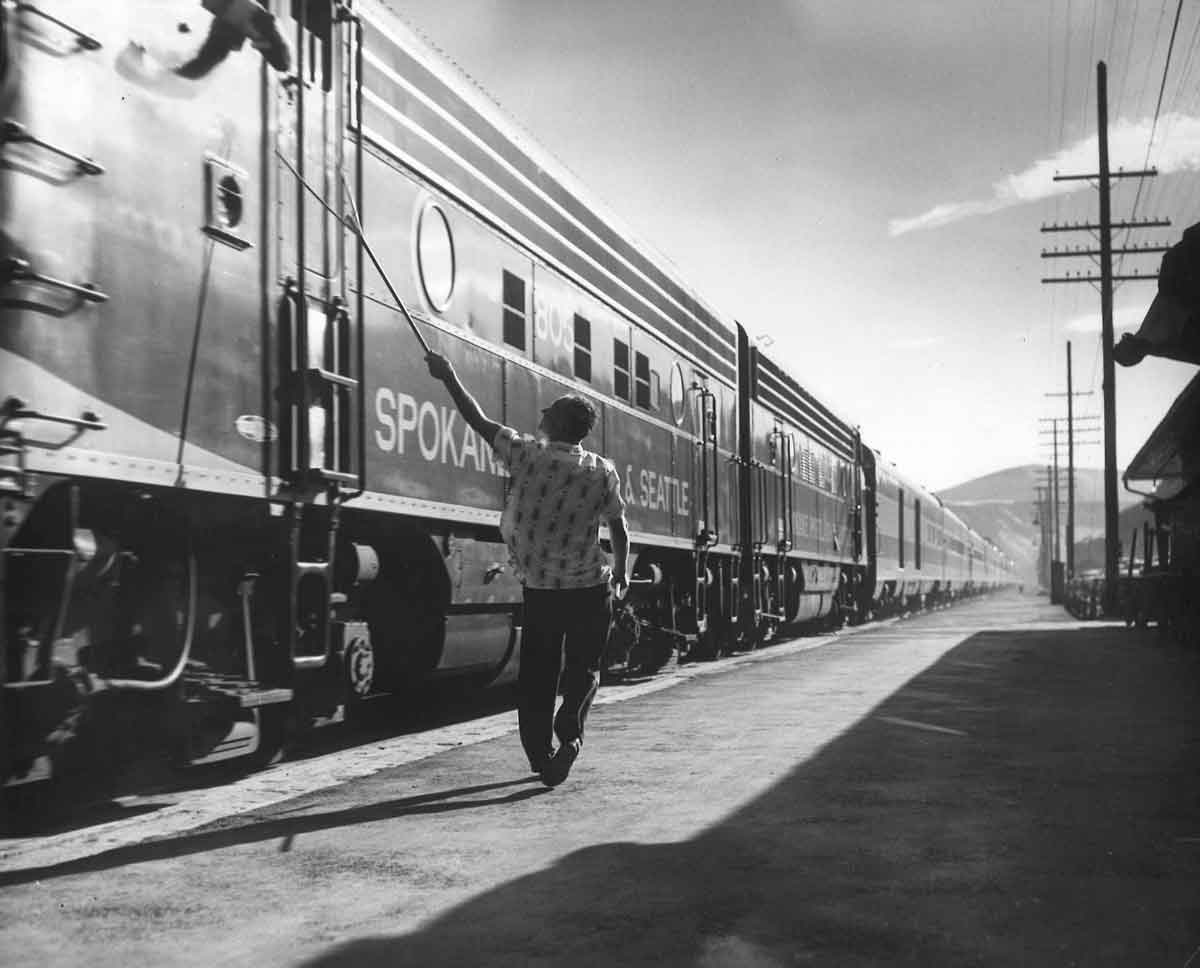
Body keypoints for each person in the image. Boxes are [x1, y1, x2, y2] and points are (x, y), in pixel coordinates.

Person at [426, 351, 629, 787]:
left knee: (538, 674)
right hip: (591, 589)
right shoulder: (601, 470)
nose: (541, 412)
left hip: (543, 592)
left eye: (549, 410)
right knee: (583, 669)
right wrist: (624, 572)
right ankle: (570, 736)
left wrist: (449, 376)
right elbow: (619, 528)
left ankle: (540, 756)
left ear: (556, 424)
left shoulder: (527, 456)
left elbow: (476, 420)